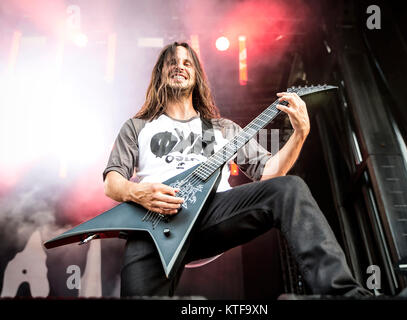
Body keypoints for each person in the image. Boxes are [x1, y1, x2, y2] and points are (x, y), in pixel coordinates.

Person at [102, 41, 372, 298]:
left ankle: (343, 293)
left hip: (212, 213)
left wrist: (300, 134)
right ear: (160, 73)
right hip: (153, 222)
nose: (179, 66)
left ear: (197, 75)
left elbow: (268, 173)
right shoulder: (137, 126)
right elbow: (112, 182)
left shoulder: (224, 129)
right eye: (171, 62)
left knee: (290, 187)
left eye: (187, 62)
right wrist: (139, 193)